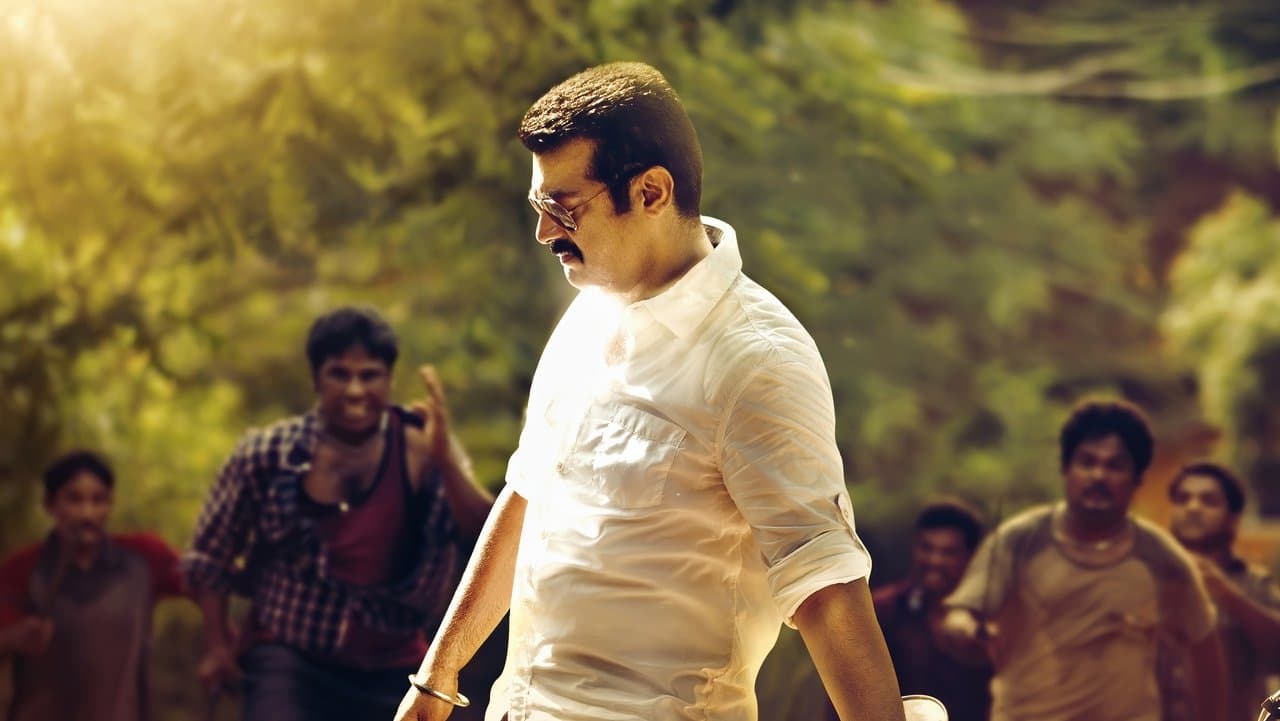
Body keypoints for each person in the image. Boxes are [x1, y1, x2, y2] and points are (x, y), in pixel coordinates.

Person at [394, 62, 905, 721]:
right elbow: (527, 494)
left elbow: (826, 586)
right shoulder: (586, 315)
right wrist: (437, 675)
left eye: (563, 208)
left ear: (652, 191)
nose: (545, 233)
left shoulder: (756, 360)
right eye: (539, 207)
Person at [184, 306, 494, 721]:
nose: (354, 391)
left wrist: (446, 459)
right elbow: (210, 556)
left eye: (369, 376)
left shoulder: (423, 448)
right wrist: (218, 646)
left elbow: (489, 534)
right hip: (292, 655)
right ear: (317, 379)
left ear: (389, 380)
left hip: (395, 661)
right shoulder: (269, 454)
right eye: (340, 375)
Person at [940, 399, 1229, 721]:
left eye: (1115, 466)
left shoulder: (1162, 559)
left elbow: (1205, 650)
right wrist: (965, 630)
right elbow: (960, 614)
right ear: (1067, 469)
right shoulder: (1019, 540)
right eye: (1087, 462)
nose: (1098, 475)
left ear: (1136, 479)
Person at [0, 450, 191, 721]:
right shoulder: (23, 568)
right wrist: (16, 638)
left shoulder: (144, 559)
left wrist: (221, 640)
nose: (87, 513)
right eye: (74, 500)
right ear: (50, 505)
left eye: (98, 500)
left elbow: (204, 580)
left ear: (110, 503)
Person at [1162, 460, 1280, 721]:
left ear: (1232, 519)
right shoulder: (1147, 578)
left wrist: (1224, 591)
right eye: (1183, 499)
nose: (1193, 507)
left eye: (1208, 501)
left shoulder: (1253, 583)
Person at [863, 499, 991, 721]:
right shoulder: (882, 611)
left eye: (949, 552)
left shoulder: (993, 619)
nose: (935, 560)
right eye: (927, 548)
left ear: (971, 557)